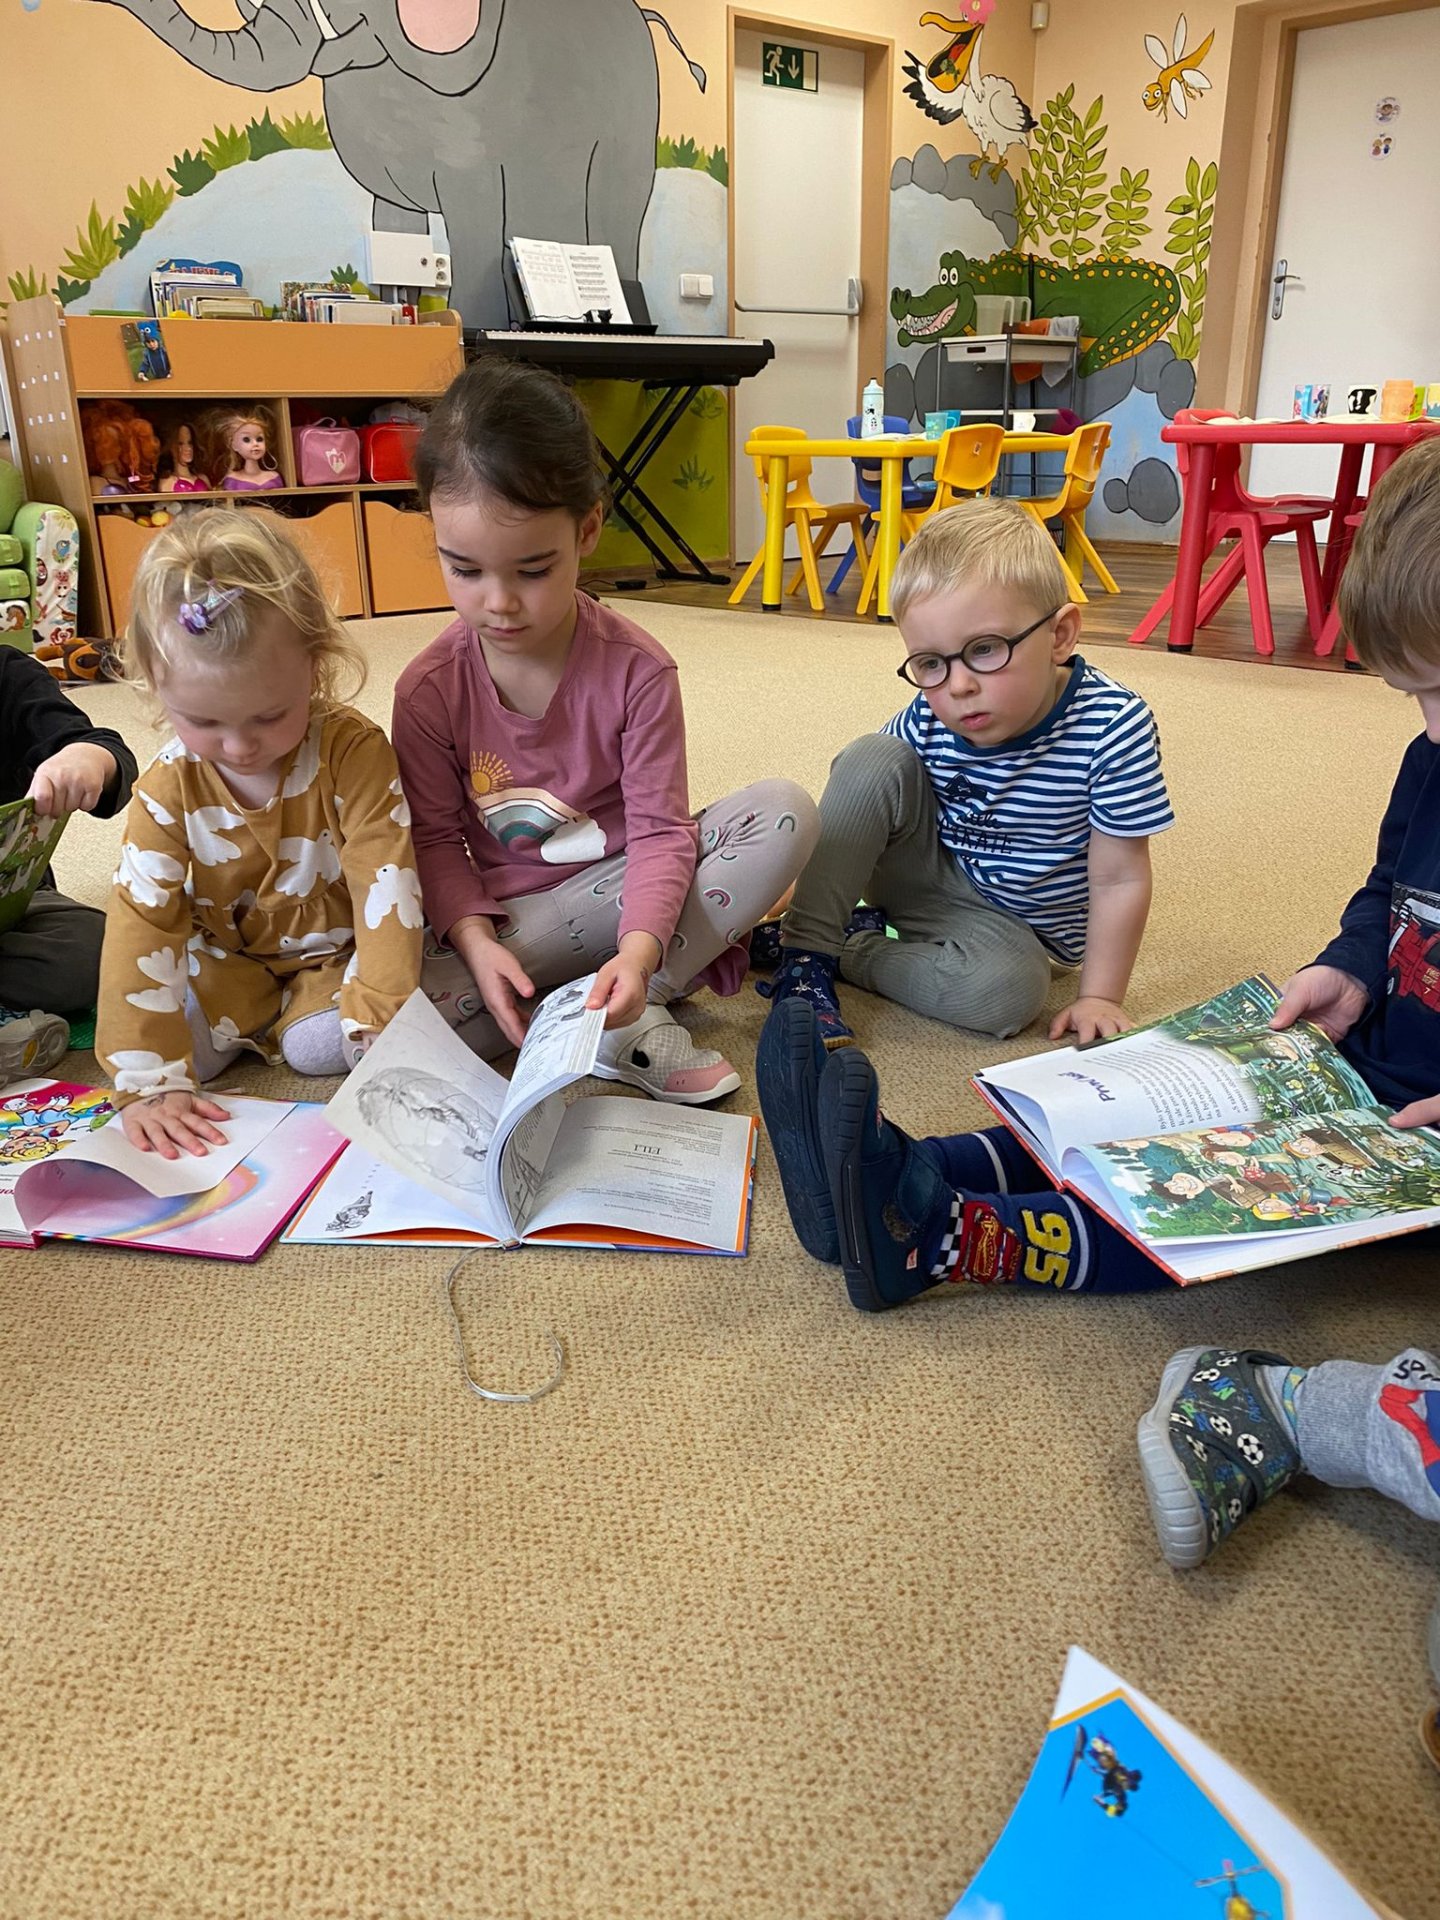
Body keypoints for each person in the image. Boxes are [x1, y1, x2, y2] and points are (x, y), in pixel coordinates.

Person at [1136, 437, 1440, 1760]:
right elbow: (1387, 889)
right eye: (1416, 694)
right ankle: (953, 1188)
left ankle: (1278, 1405)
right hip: (1384, 1072)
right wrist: (1350, 965)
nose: (1432, 727)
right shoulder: (1433, 761)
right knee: (1185, 1143)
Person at [392, 358, 819, 1103]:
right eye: (464, 570)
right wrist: (477, 943)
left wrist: (640, 951)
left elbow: (659, 833)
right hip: (512, 923)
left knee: (784, 813)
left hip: (626, 898)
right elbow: (431, 843)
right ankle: (600, 1012)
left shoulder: (638, 670)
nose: (499, 603)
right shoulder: (427, 691)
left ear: (587, 529)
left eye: (532, 570)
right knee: (374, 1030)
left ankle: (622, 998)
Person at [759, 496, 1172, 1048]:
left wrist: (1101, 995)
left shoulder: (1113, 726)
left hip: (1020, 937)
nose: (958, 686)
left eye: (985, 649)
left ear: (1060, 636)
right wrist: (804, 892)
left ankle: (849, 947)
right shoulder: (930, 713)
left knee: (1005, 994)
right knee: (872, 754)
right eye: (931, 662)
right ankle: (805, 953)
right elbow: (863, 802)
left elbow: (1120, 877)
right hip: (928, 876)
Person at [96, 510, 423, 1158]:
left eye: (270, 716)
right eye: (203, 722)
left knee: (317, 1050)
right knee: (168, 1050)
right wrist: (148, 1082)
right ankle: (246, 1019)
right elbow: (142, 920)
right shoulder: (166, 787)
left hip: (330, 954)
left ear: (315, 664)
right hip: (228, 959)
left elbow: (387, 884)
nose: (241, 746)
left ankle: (305, 1016)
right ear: (155, 686)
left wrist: (381, 1018)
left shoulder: (352, 750)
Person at [0, 646, 137, 1084]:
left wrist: (85, 757)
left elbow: (106, 749)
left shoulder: (7, 673)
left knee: (97, 948)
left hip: (14, 910)